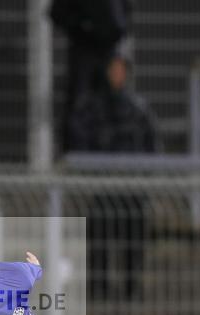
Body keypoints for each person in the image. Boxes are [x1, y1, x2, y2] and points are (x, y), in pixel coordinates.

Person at [67, 51, 158, 301]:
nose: (117, 75)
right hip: (103, 185)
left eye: (121, 69)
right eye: (112, 69)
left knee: (133, 236)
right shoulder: (92, 108)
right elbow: (80, 140)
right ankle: (99, 289)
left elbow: (149, 146)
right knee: (100, 238)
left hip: (131, 185)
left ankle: (131, 288)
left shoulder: (137, 108)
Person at [50, 0, 131, 151]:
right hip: (84, 51)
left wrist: (117, 32)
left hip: (110, 50)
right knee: (80, 105)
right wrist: (83, 26)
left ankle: (113, 154)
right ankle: (76, 155)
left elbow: (124, 12)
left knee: (113, 104)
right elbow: (57, 13)